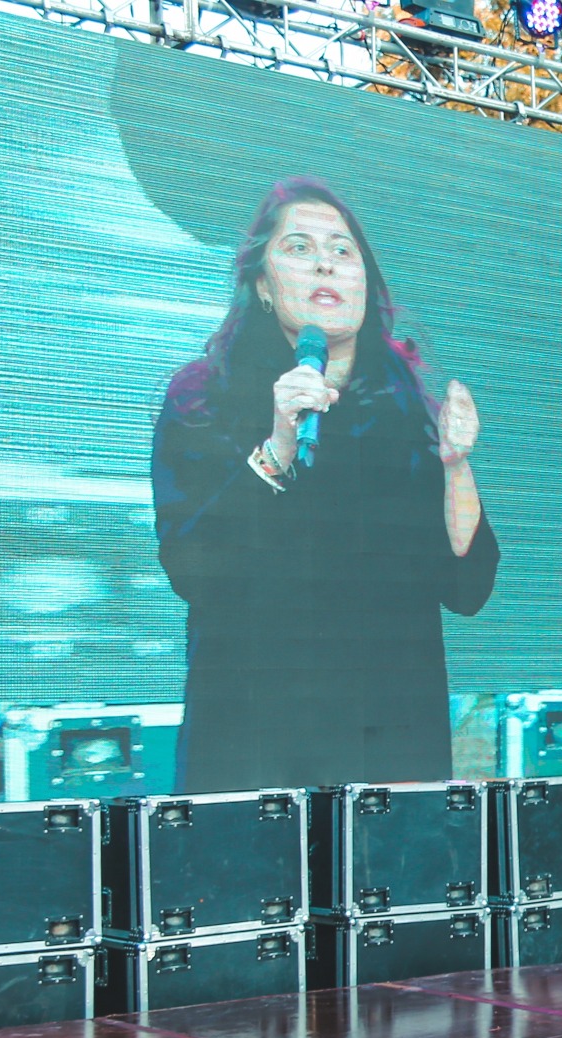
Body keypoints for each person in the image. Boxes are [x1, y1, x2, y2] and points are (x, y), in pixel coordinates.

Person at [150, 178, 499, 793]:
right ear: (262, 284)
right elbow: (192, 569)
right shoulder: (202, 398)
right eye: (299, 248)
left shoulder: (402, 407)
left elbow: (467, 585)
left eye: (343, 251)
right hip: (253, 756)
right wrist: (278, 448)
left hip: (390, 758)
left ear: (365, 285)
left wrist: (455, 465)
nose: (323, 263)